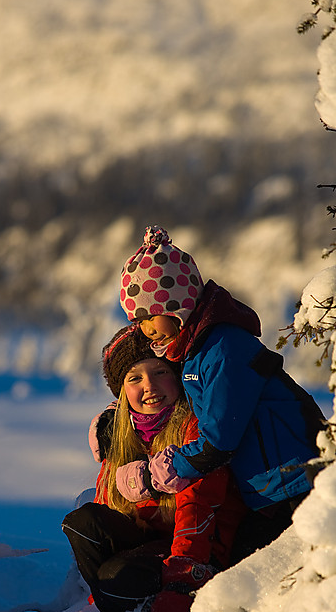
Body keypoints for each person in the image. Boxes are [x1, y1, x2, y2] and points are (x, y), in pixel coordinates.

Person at [119, 226, 325, 561]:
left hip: (295, 482)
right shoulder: (196, 352)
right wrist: (113, 419)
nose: (144, 328)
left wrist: (156, 474)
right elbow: (183, 408)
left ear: (178, 307)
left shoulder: (223, 350)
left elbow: (218, 441)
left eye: (149, 316)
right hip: (268, 491)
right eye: (137, 321)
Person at [62, 325, 247, 612]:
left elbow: (197, 506)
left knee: (114, 578)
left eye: (160, 372)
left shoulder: (196, 426)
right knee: (82, 522)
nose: (149, 386)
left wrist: (181, 579)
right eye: (135, 378)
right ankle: (112, 600)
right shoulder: (122, 433)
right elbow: (109, 504)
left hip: (199, 549)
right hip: (151, 542)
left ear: (176, 377)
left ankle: (120, 602)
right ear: (123, 391)